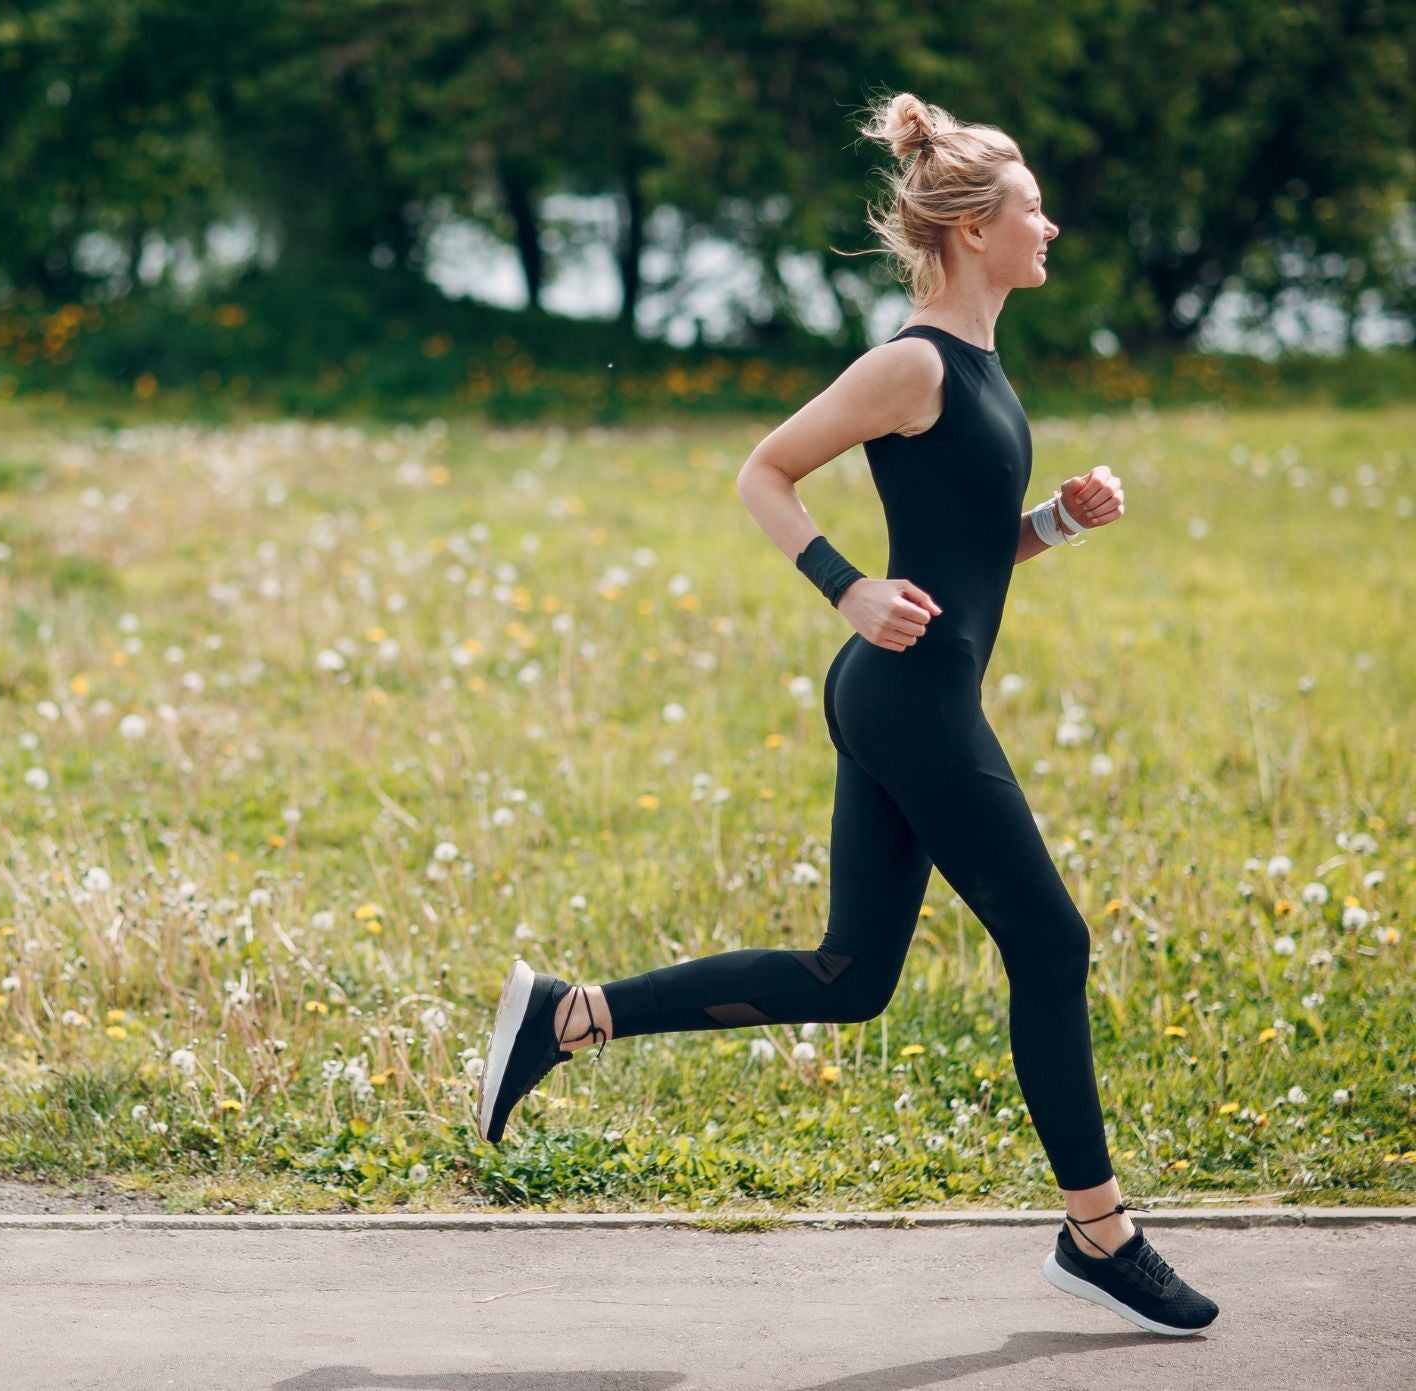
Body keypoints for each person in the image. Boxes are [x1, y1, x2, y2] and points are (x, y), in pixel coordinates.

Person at [474, 90, 1219, 1338]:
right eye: (1034, 211)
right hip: (906, 702)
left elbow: (965, 554)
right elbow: (761, 468)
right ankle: (1099, 1232)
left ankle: (565, 1013)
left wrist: (1053, 524)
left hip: (910, 689)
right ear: (975, 228)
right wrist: (844, 586)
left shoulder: (977, 365)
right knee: (1050, 941)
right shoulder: (911, 360)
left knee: (850, 975)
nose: (1052, 229)